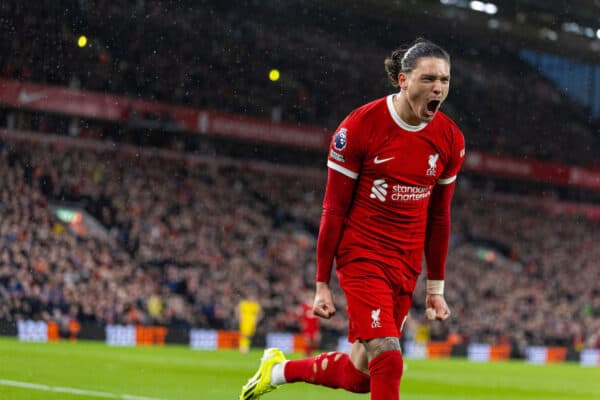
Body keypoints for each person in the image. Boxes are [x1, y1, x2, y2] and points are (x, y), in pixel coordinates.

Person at [240, 38, 465, 400]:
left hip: (405, 264)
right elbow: (333, 208)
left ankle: (277, 370)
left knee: (362, 376)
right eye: (428, 79)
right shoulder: (360, 127)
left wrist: (436, 289)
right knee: (389, 359)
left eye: (445, 79)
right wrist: (321, 282)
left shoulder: (450, 139)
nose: (438, 87)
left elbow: (439, 216)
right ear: (403, 80)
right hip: (363, 255)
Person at [296, 289, 321, 356]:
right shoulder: (304, 306)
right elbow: (300, 317)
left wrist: (317, 330)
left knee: (314, 343)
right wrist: (302, 325)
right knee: (307, 343)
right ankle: (306, 356)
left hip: (314, 328)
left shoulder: (316, 305)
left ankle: (310, 356)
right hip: (307, 328)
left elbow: (318, 320)